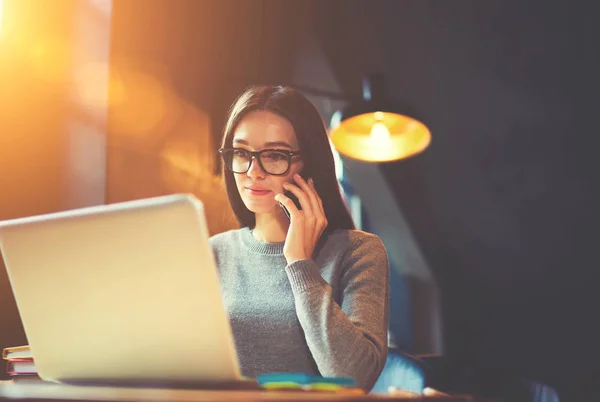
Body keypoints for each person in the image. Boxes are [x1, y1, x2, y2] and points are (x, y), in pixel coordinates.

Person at [209, 85, 390, 391]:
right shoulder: (213, 253)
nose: (254, 171)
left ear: (308, 162)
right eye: (241, 153)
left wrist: (300, 264)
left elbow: (354, 378)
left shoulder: (359, 251)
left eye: (275, 155)